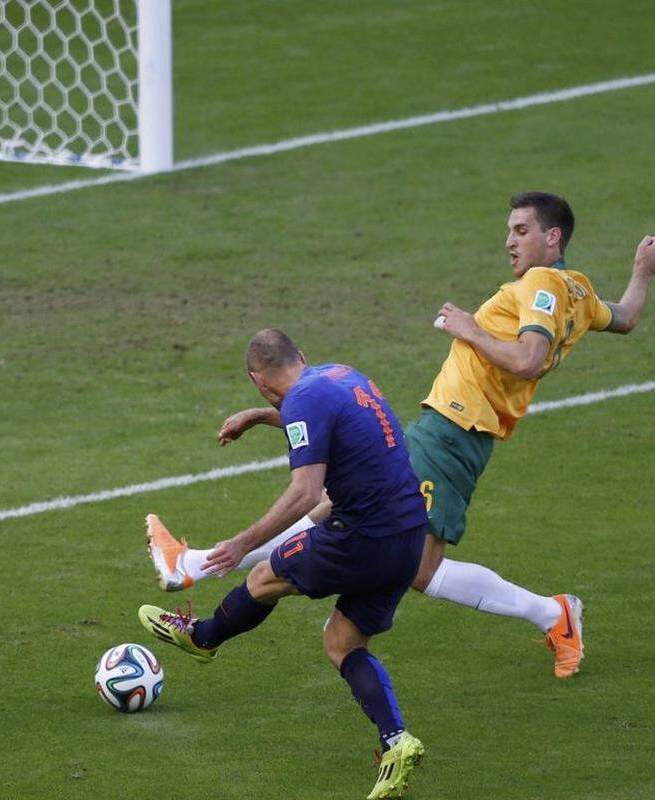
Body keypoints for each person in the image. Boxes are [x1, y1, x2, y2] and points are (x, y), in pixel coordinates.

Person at [149, 192, 655, 679]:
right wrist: (641, 270)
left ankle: (553, 614)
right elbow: (627, 317)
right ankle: (194, 565)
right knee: (335, 504)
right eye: (509, 230)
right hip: (447, 429)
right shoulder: (579, 291)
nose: (510, 241)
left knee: (420, 569)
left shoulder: (541, 284)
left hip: (455, 433)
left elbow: (529, 360)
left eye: (521, 231)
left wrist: (468, 328)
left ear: (553, 236)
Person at [139, 330, 428, 800]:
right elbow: (323, 420)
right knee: (342, 643)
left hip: (360, 537)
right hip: (409, 534)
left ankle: (203, 637)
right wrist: (258, 417)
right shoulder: (339, 376)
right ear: (302, 357)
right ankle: (397, 740)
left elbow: (306, 494)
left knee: (262, 575)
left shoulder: (304, 401)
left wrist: (241, 542)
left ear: (258, 379)